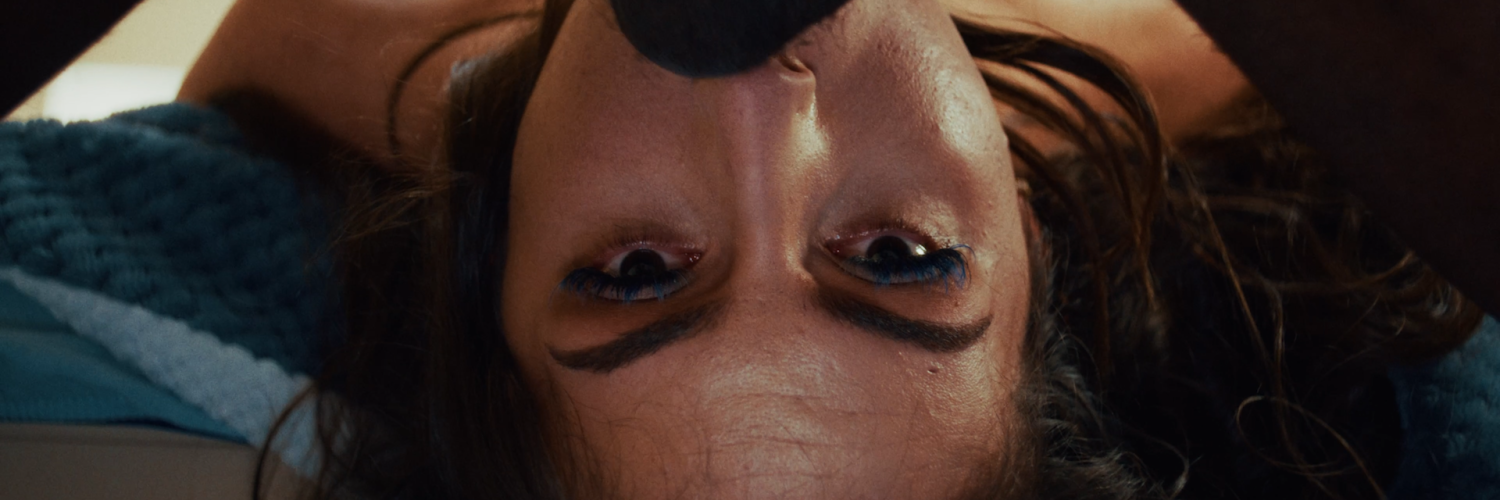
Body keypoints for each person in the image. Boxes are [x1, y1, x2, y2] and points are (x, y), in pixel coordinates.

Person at [2, 0, 1495, 498]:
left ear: (490, 245)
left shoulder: (355, 76)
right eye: (898, 258)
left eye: (636, 274)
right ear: (1042, 239)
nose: (759, 117)